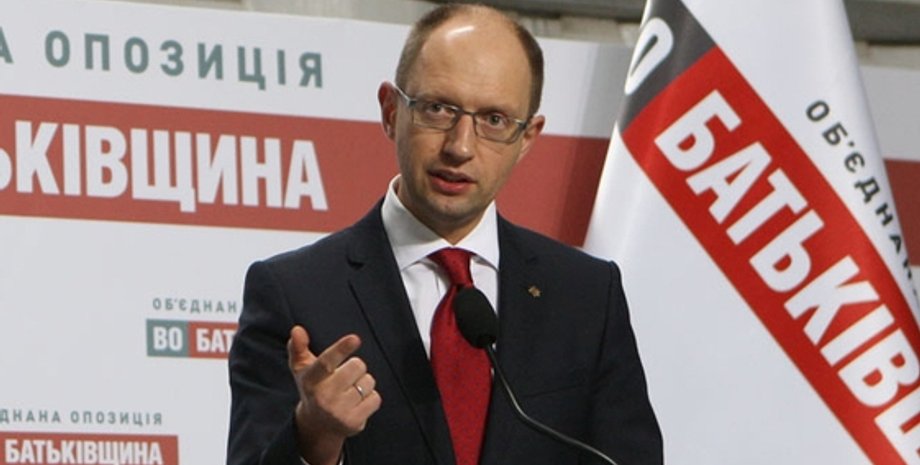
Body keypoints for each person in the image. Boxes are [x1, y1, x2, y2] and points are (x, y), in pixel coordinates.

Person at [227, 4, 662, 465]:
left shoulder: (586, 295)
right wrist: (314, 437)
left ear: (527, 138)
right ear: (391, 111)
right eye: (437, 109)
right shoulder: (295, 294)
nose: (460, 146)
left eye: (494, 120)